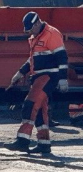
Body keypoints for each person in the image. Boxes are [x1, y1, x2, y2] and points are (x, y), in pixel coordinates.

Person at [3, 12, 68, 154]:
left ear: (37, 23)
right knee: (39, 111)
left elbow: (62, 57)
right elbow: (33, 59)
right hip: (39, 76)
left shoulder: (51, 34)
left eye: (31, 29)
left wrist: (63, 78)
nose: (30, 32)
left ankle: (22, 141)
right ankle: (44, 144)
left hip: (48, 76)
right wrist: (20, 73)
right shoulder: (35, 36)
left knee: (30, 104)